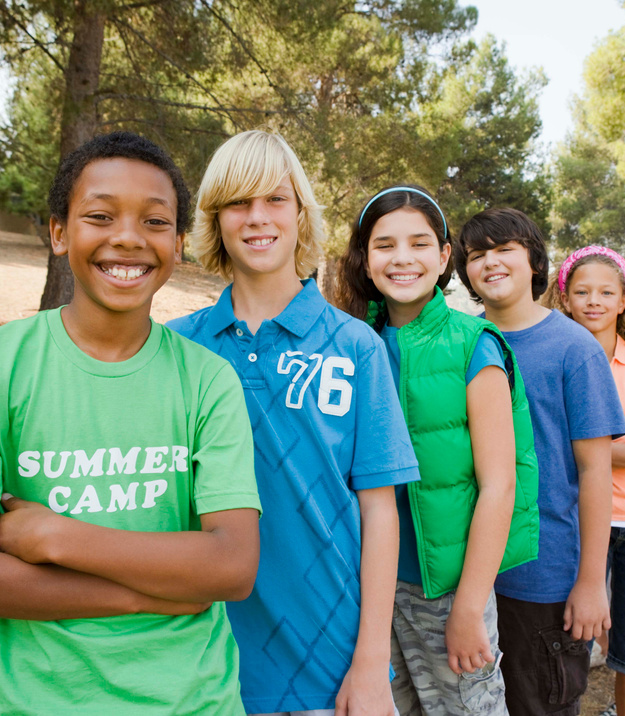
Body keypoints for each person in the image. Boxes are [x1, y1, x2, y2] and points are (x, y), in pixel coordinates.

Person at [0, 131, 263, 714]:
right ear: (59, 233)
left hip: (196, 701)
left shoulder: (207, 379)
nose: (128, 238)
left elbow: (232, 566)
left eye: (155, 221)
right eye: (99, 216)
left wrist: (56, 537)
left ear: (176, 241)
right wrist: (140, 597)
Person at [169, 130, 420, 716]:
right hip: (205, 662)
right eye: (238, 202)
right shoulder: (180, 348)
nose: (257, 218)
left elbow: (380, 510)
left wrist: (368, 664)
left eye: (275, 200)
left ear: (301, 214)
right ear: (216, 219)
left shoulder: (356, 346)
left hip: (329, 666)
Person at [335, 186, 540, 716]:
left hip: (446, 593)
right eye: (385, 245)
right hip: (363, 589)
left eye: (419, 243)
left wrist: (469, 606)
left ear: (445, 256)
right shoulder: (350, 343)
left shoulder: (475, 343)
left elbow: (500, 483)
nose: (402, 258)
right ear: (364, 257)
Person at [455, 208, 625, 716]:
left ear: (534, 261)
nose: (490, 262)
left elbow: (596, 471)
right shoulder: (460, 342)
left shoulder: (574, 349)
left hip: (543, 577)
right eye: (476, 255)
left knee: (539, 705)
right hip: (468, 574)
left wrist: (592, 581)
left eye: (504, 249)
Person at [544, 246, 625, 716]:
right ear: (565, 299)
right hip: (579, 520)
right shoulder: (558, 358)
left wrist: (587, 450)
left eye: (606, 292)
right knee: (572, 637)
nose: (594, 301)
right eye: (582, 292)